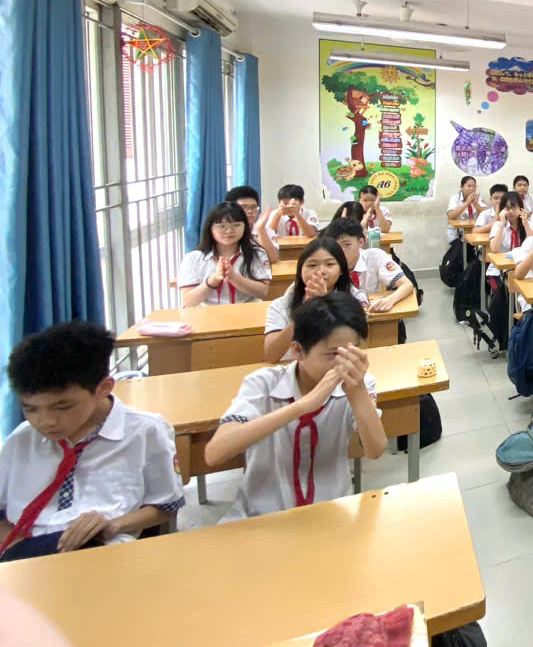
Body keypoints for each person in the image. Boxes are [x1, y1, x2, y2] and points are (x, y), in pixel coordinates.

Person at [0, 322, 184, 561]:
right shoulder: (22, 439)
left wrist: (114, 525)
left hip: (103, 554)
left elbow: (166, 507)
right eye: (30, 409)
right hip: (24, 555)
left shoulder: (145, 432)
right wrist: (16, 548)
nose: (46, 422)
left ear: (104, 388)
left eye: (63, 407)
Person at [207, 294, 386, 522]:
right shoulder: (263, 383)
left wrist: (357, 390)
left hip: (330, 515)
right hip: (261, 518)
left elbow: (376, 450)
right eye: (334, 354)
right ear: (298, 351)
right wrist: (302, 406)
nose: (345, 363)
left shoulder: (359, 383)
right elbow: (215, 453)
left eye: (353, 351)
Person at [263, 237, 369, 363]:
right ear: (300, 270)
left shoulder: (356, 299)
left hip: (339, 366)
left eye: (329, 264)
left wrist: (326, 305)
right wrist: (305, 310)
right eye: (312, 265)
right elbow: (271, 355)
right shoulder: (280, 305)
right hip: (295, 368)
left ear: (341, 269)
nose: (320, 271)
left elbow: (360, 345)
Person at [178, 202, 271, 306]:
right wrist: (213, 280)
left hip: (248, 311)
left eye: (236, 225)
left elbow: (263, 292)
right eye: (222, 226)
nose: (229, 231)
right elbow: (188, 301)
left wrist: (234, 277)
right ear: (210, 228)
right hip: (207, 313)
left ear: (245, 227)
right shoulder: (193, 258)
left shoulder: (257, 254)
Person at [327, 219, 414, 313]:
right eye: (336, 246)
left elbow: (407, 285)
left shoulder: (375, 256)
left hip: (372, 312)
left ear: (361, 242)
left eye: (347, 244)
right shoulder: (326, 265)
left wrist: (389, 300)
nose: (341, 251)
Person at [227, 184, 278, 263]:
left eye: (254, 207)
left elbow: (273, 259)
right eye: (244, 207)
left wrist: (261, 231)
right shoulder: (225, 232)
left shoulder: (265, 230)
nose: (250, 211)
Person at [445, 175, 484, 240]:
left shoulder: (478, 198)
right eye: (469, 186)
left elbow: (485, 214)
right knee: (460, 245)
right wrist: (467, 202)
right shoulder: (455, 198)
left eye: (474, 186)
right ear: (461, 187)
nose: (472, 189)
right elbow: (450, 216)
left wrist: (476, 204)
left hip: (473, 231)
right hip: (457, 233)